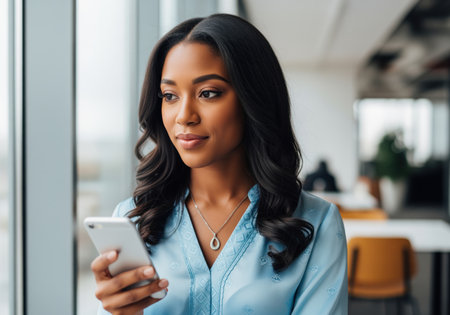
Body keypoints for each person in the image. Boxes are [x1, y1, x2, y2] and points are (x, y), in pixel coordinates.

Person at [91, 13, 347, 315]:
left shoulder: (316, 223)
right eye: (170, 95)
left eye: (208, 93)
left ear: (254, 100)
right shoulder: (133, 221)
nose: (184, 115)